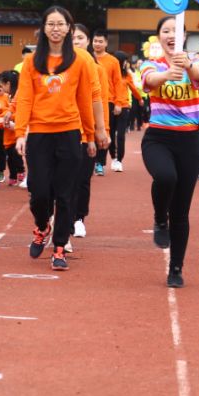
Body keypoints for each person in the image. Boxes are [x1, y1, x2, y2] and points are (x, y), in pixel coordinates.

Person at [14, 6, 99, 271]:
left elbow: (85, 98)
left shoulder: (81, 60)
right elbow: (25, 97)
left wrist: (92, 134)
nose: (55, 29)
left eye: (60, 24)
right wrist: (20, 132)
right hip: (39, 134)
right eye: (51, 24)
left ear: (69, 28)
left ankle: (60, 246)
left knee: (65, 194)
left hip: (70, 133)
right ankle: (42, 226)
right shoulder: (32, 61)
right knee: (39, 192)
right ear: (43, 29)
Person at [140, 15, 199, 288]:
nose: (170, 35)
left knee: (181, 211)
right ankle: (159, 218)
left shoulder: (197, 61)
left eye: (175, 30)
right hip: (158, 138)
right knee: (166, 177)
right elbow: (150, 80)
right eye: (165, 31)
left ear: (184, 35)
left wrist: (187, 64)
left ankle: (176, 268)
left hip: (189, 141)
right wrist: (167, 74)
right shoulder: (150, 64)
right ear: (159, 37)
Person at [70, 24, 109, 237]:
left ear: (88, 42)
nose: (76, 42)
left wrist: (103, 131)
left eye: (80, 38)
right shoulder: (61, 67)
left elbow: (101, 100)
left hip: (88, 132)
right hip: (65, 129)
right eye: (73, 38)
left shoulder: (98, 69)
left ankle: (78, 218)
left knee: (83, 178)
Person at [92, 29, 124, 173]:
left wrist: (119, 102)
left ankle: (100, 162)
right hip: (89, 100)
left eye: (100, 41)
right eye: (95, 41)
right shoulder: (87, 57)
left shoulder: (113, 61)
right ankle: (89, 160)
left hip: (107, 101)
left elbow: (118, 83)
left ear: (106, 43)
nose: (97, 44)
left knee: (104, 130)